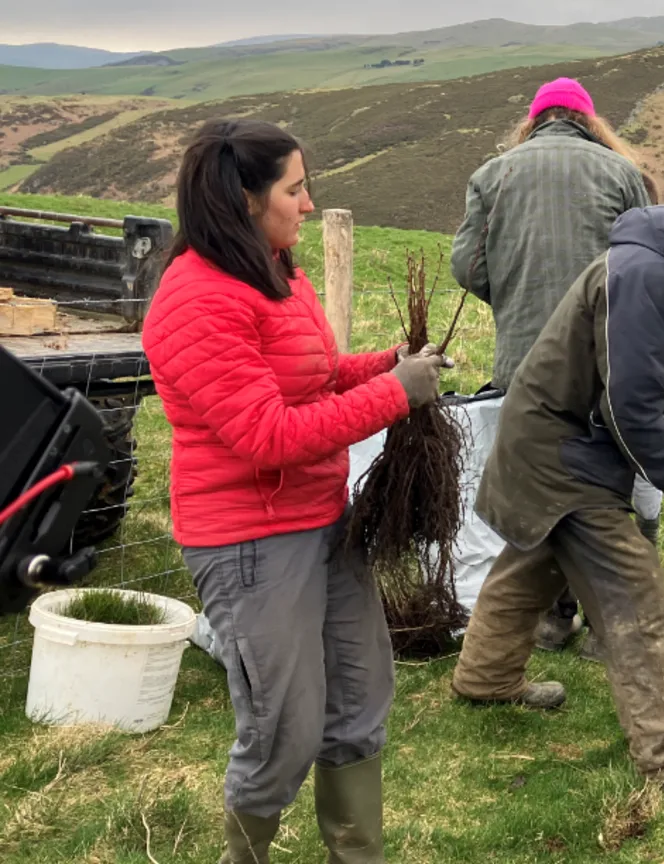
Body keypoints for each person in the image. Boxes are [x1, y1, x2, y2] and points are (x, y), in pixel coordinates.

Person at [143, 119, 449, 863]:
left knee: (357, 696)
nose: (309, 204)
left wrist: (389, 364)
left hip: (321, 522)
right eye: (295, 187)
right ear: (246, 200)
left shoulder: (277, 269)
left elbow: (312, 378)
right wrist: (396, 397)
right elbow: (266, 434)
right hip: (249, 541)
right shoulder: (197, 300)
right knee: (285, 728)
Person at [451, 182, 664, 804]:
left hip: (574, 445)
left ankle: (484, 678)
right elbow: (630, 404)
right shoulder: (644, 278)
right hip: (558, 451)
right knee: (633, 585)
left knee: (534, 563)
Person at [450, 77, 657, 662]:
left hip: (525, 362)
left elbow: (468, 267)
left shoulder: (495, 175)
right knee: (608, 485)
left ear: (533, 121)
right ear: (590, 121)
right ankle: (606, 623)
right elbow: (644, 266)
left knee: (544, 487)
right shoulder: (622, 173)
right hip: (604, 359)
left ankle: (553, 617)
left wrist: (513, 296)